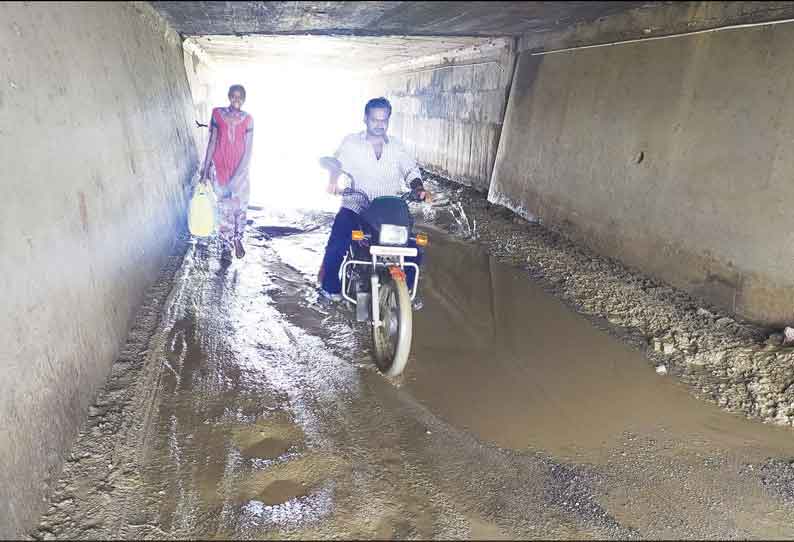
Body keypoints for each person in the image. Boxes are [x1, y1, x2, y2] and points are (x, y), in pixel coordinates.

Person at [318, 97, 430, 305]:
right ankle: (329, 288)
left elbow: (410, 169)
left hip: (388, 207)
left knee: (414, 246)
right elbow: (336, 163)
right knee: (339, 240)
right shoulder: (351, 142)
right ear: (365, 119)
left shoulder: (396, 146)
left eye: (384, 120)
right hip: (357, 204)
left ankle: (405, 292)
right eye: (374, 120)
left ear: (388, 120)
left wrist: (418, 187)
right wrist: (333, 180)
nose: (379, 125)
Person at [199, 84, 254, 263]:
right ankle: (225, 246)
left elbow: (248, 150)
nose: (236, 100)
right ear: (229, 96)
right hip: (220, 167)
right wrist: (205, 169)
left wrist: (238, 176)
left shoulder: (248, 119)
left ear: (244, 100)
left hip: (240, 170)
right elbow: (212, 141)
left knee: (240, 207)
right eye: (234, 96)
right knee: (224, 208)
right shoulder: (217, 114)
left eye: (240, 97)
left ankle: (237, 238)